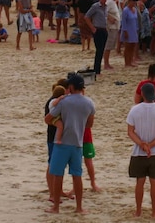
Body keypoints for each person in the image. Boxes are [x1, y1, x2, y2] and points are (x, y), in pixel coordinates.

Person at [44, 74, 95, 214]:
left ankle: (56, 207)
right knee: (77, 175)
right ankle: (79, 207)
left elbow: (48, 118)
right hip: (78, 142)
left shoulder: (64, 101)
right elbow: (90, 124)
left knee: (58, 174)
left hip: (62, 143)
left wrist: (59, 124)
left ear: (71, 87)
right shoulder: (89, 102)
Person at [127, 82, 155, 219]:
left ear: (143, 94)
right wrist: (151, 145)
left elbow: (130, 132)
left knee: (140, 182)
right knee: (154, 182)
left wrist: (142, 144)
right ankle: (154, 211)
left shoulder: (134, 110)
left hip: (139, 152)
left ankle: (138, 211)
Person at [84, 0, 111, 75]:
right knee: (99, 50)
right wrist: (92, 28)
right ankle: (96, 70)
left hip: (104, 29)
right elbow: (87, 17)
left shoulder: (106, 7)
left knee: (102, 50)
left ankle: (98, 69)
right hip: (97, 29)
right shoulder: (95, 6)